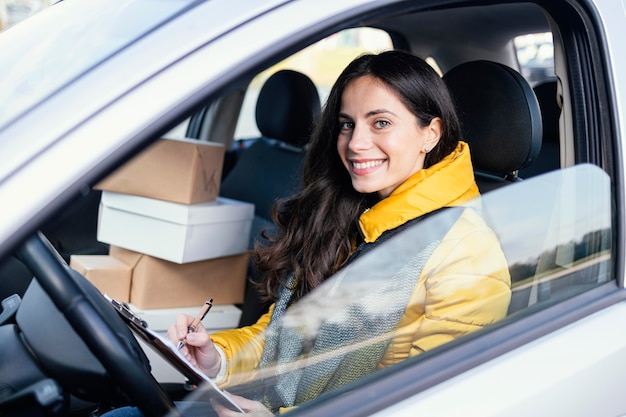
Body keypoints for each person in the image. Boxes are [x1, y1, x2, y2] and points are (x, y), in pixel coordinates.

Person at [105, 50, 511, 417]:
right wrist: (218, 360)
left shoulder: (466, 249)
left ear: (431, 133)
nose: (356, 144)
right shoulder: (352, 211)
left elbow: (426, 402)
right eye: (347, 125)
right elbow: (283, 339)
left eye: (381, 123)